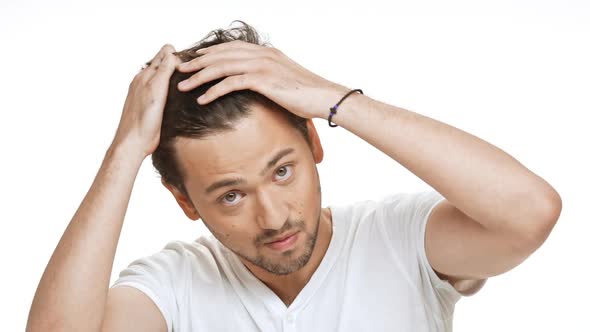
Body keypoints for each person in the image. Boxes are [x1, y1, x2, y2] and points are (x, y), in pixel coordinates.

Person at [26, 20, 562, 332]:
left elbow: (529, 214)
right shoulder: (175, 285)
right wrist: (124, 152)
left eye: (283, 171)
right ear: (186, 202)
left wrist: (336, 99)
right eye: (231, 195)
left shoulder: (398, 240)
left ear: (315, 144)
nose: (275, 216)